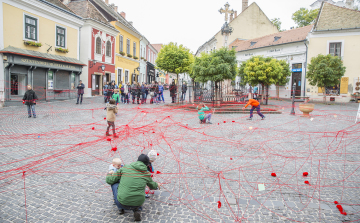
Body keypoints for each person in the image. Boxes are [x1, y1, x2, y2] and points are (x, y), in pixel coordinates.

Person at [106, 154, 161, 221]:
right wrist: (157, 184)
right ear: (146, 165)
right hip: (138, 203)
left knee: (114, 183)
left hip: (122, 202)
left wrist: (109, 174)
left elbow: (109, 180)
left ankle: (120, 208)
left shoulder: (125, 167)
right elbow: (152, 185)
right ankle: (137, 209)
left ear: (137, 160)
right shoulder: (146, 174)